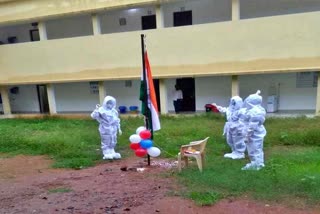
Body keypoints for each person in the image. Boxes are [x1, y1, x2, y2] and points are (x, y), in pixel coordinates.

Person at [241, 90, 267, 170]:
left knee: (254, 149)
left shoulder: (255, 112)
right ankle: (257, 163)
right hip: (256, 133)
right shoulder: (257, 109)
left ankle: (256, 165)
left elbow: (252, 127)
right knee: (256, 148)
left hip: (254, 134)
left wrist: (247, 136)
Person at [91, 95, 122, 160]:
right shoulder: (101, 110)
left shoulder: (114, 111)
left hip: (113, 128)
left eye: (111, 103)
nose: (109, 105)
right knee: (106, 139)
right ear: (105, 103)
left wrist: (119, 128)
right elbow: (93, 116)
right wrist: (96, 110)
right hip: (105, 128)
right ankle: (106, 152)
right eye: (108, 103)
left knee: (113, 139)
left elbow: (117, 119)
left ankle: (112, 151)